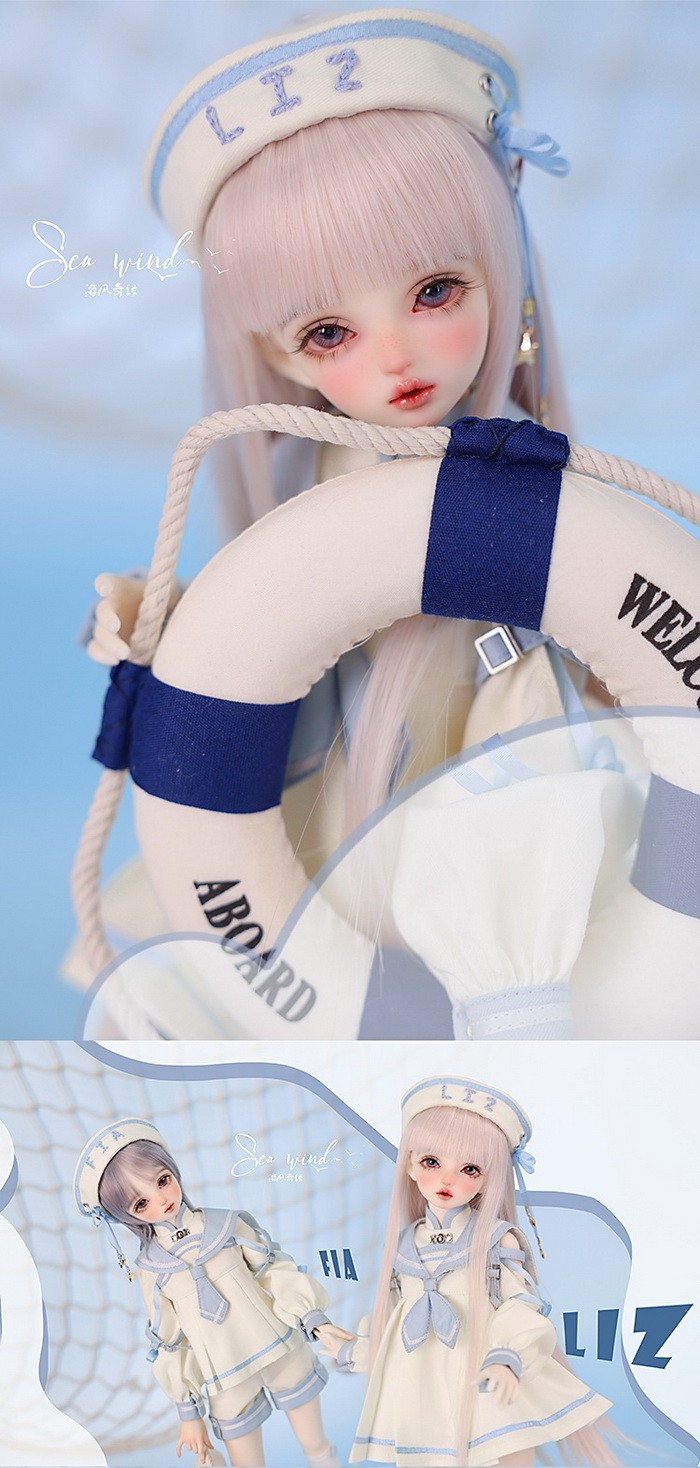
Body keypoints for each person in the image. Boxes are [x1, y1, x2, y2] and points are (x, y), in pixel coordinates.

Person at [322, 1074, 614, 1466]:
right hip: (421, 1385)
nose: (447, 1179)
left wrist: (508, 1356)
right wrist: (357, 1349)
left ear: (489, 1179)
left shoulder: (495, 1239)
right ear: (410, 1164)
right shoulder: (404, 1244)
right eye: (431, 1161)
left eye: (470, 1169)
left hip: (482, 1368)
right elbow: (391, 1317)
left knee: (508, 1448)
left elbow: (520, 1305)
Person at [73, 1118, 350, 1467]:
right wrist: (188, 1410)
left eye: (163, 1180)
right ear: (127, 1216)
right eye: (141, 1203)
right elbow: (170, 1338)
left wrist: (313, 1317)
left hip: (280, 1347)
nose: (161, 1199)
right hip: (225, 1377)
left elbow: (272, 1271)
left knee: (317, 1447)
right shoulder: (152, 1270)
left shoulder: (227, 1225)